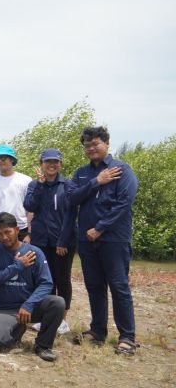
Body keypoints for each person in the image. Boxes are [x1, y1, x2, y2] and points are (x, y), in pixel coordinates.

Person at [67, 126, 139, 355]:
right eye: (87, 145)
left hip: (114, 239)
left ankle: (127, 337)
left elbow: (124, 203)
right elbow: (72, 198)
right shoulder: (81, 173)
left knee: (119, 286)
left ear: (106, 143)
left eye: (95, 143)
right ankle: (98, 330)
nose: (91, 148)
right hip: (87, 242)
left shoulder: (122, 170)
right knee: (94, 286)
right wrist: (97, 181)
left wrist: (100, 228)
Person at [0, 212, 64, 362]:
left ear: (17, 230)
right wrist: (17, 266)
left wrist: (29, 304)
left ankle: (43, 346)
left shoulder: (34, 252)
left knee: (57, 303)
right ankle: (17, 330)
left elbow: (46, 283)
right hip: (4, 308)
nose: (4, 237)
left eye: (7, 232)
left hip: (29, 307)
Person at [23, 148, 77, 335]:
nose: (51, 165)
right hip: (40, 240)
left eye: (55, 162)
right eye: (47, 162)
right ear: (41, 164)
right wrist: (39, 185)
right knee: (45, 279)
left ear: (60, 164)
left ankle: (62, 319)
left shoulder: (68, 185)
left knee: (62, 279)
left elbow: (71, 215)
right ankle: (47, 316)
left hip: (62, 242)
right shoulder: (34, 184)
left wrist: (63, 241)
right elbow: (29, 206)